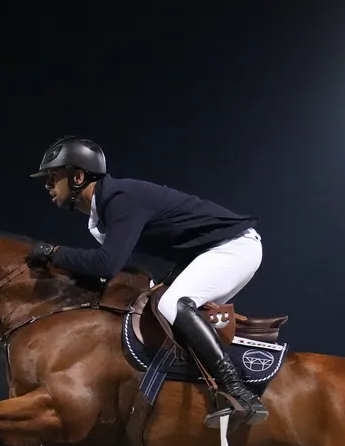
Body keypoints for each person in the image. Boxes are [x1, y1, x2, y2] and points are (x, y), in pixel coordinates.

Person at [26, 136, 268, 426]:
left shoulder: (120, 199)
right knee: (158, 307)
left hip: (235, 247)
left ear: (78, 177)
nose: (48, 185)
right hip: (208, 253)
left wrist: (55, 254)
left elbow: (107, 264)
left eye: (54, 177)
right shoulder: (103, 211)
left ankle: (238, 392)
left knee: (173, 303)